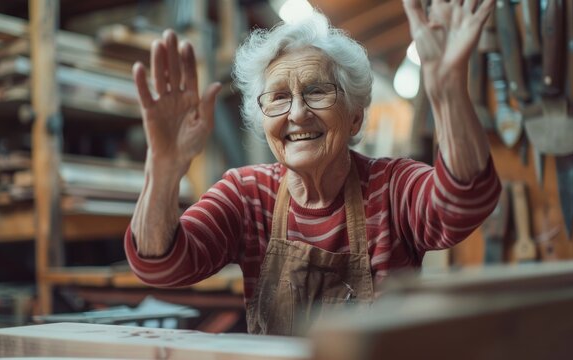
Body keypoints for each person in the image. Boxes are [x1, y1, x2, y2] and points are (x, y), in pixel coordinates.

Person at [125, 0, 500, 336]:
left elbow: (464, 205)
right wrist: (163, 167)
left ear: (355, 117)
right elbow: (161, 267)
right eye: (279, 98)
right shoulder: (248, 194)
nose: (298, 113)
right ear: (262, 119)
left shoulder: (392, 186)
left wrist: (448, 90)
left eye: (317, 92)